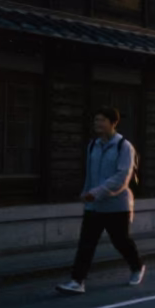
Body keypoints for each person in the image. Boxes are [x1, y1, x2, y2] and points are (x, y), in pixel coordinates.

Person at [56, 106, 145, 294]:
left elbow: (122, 177)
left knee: (121, 241)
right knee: (86, 244)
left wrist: (96, 192)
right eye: (96, 120)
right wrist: (86, 193)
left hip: (117, 205)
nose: (97, 124)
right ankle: (77, 281)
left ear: (113, 123)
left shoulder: (124, 146)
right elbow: (90, 174)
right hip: (94, 205)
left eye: (102, 120)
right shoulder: (92, 145)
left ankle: (137, 267)